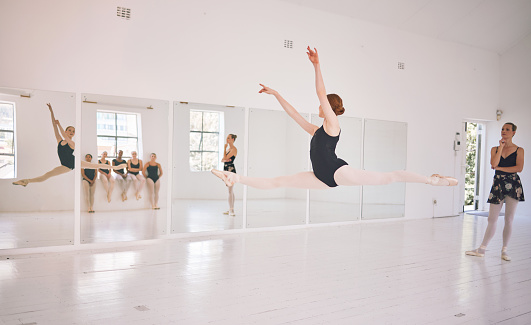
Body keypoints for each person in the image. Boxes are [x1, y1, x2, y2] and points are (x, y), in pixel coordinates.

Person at [212, 46, 457, 191]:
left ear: (328, 107)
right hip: (321, 177)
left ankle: (432, 180)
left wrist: (317, 66)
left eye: (322, 105)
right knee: (279, 182)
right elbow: (294, 114)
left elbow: (320, 92)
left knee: (389, 176)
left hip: (337, 171)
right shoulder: (318, 130)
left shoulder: (332, 125)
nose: (318, 106)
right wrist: (276, 94)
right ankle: (233, 177)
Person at [13, 103, 126, 187]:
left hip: (73, 163)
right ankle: (26, 181)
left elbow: (63, 134)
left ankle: (115, 167)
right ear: (67, 131)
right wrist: (51, 110)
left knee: (96, 165)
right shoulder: (59, 141)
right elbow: (54, 126)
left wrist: (60, 124)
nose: (72, 132)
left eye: (73, 131)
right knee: (47, 175)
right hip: (64, 165)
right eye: (70, 130)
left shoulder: (72, 143)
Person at [466, 123, 524, 261]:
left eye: (507, 129)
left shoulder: (519, 150)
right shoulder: (495, 149)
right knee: (492, 219)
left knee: (509, 219)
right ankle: (482, 249)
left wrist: (500, 169)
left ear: (514, 132)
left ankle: (504, 250)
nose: (504, 131)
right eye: (502, 129)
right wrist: (501, 147)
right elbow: (494, 164)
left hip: (513, 185)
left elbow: (519, 168)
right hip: (498, 184)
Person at [221, 134, 238, 216]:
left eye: (228, 138)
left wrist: (224, 149)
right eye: (226, 138)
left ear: (233, 139)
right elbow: (223, 159)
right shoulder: (228, 149)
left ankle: (232, 210)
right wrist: (225, 158)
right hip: (226, 170)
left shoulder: (234, 149)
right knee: (230, 191)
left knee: (230, 190)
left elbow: (225, 158)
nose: (227, 139)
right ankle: (231, 209)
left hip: (231, 170)